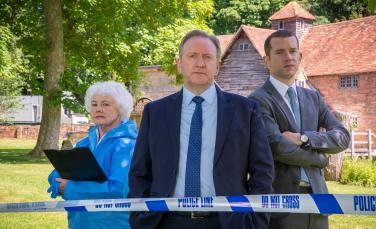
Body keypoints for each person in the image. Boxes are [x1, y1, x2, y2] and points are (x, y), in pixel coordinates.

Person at [129, 30, 274, 229]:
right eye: (192, 56)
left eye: (207, 57)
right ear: (179, 64)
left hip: (227, 222)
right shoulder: (155, 112)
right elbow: (139, 171)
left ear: (217, 66)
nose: (200, 63)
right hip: (165, 221)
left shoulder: (245, 110)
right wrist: (140, 217)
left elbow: (263, 171)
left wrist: (255, 222)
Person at [248, 30, 350, 229]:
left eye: (293, 51)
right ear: (266, 60)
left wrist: (304, 138)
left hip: (319, 201)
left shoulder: (313, 97)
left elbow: (343, 137)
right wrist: (320, 159)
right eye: (280, 52)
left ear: (300, 56)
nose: (288, 57)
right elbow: (277, 146)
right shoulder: (258, 100)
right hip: (282, 205)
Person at [47, 81, 137, 228]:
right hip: (79, 222)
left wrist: (71, 188)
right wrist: (57, 183)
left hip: (112, 224)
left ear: (121, 108)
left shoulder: (127, 145)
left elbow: (119, 190)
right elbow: (57, 173)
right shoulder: (84, 143)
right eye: (94, 104)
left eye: (105, 104)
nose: (98, 109)